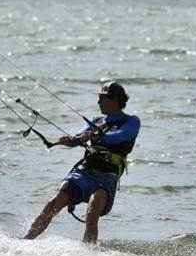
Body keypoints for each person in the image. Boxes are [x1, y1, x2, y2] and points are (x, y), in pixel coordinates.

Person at [23, 81, 140, 244]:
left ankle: (88, 254)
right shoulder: (97, 120)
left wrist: (96, 136)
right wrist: (71, 140)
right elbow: (78, 137)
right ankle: (26, 241)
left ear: (115, 100)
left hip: (107, 177)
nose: (98, 102)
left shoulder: (131, 121)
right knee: (53, 204)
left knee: (92, 213)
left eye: (102, 98)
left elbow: (120, 136)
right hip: (84, 171)